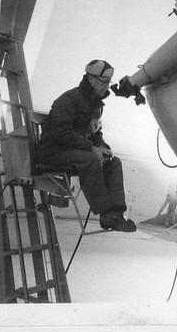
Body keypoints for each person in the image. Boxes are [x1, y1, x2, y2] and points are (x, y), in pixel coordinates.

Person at [37, 59, 136, 232]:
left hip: (72, 151)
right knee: (90, 159)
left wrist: (102, 146)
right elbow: (61, 133)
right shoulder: (68, 99)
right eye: (104, 82)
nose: (107, 87)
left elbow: (96, 132)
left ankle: (115, 214)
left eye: (108, 83)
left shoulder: (96, 104)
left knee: (113, 161)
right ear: (91, 79)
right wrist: (91, 148)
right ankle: (105, 213)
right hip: (52, 152)